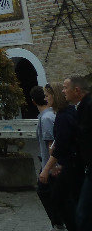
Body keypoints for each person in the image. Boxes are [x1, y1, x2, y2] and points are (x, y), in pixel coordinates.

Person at [41, 82, 79, 231]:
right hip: (70, 163)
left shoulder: (63, 117)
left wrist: (47, 168)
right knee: (66, 198)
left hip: (69, 165)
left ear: (54, 96)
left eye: (47, 96)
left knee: (60, 198)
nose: (46, 99)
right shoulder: (68, 112)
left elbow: (62, 145)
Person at [32, 85, 63, 230]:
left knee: (46, 193)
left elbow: (52, 145)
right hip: (49, 165)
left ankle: (58, 223)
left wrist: (49, 167)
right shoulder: (49, 115)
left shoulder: (46, 118)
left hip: (49, 166)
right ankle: (57, 222)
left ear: (33, 101)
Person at [64, 75, 91, 231]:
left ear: (77, 90)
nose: (63, 91)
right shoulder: (81, 107)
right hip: (85, 168)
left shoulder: (88, 107)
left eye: (66, 87)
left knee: (82, 214)